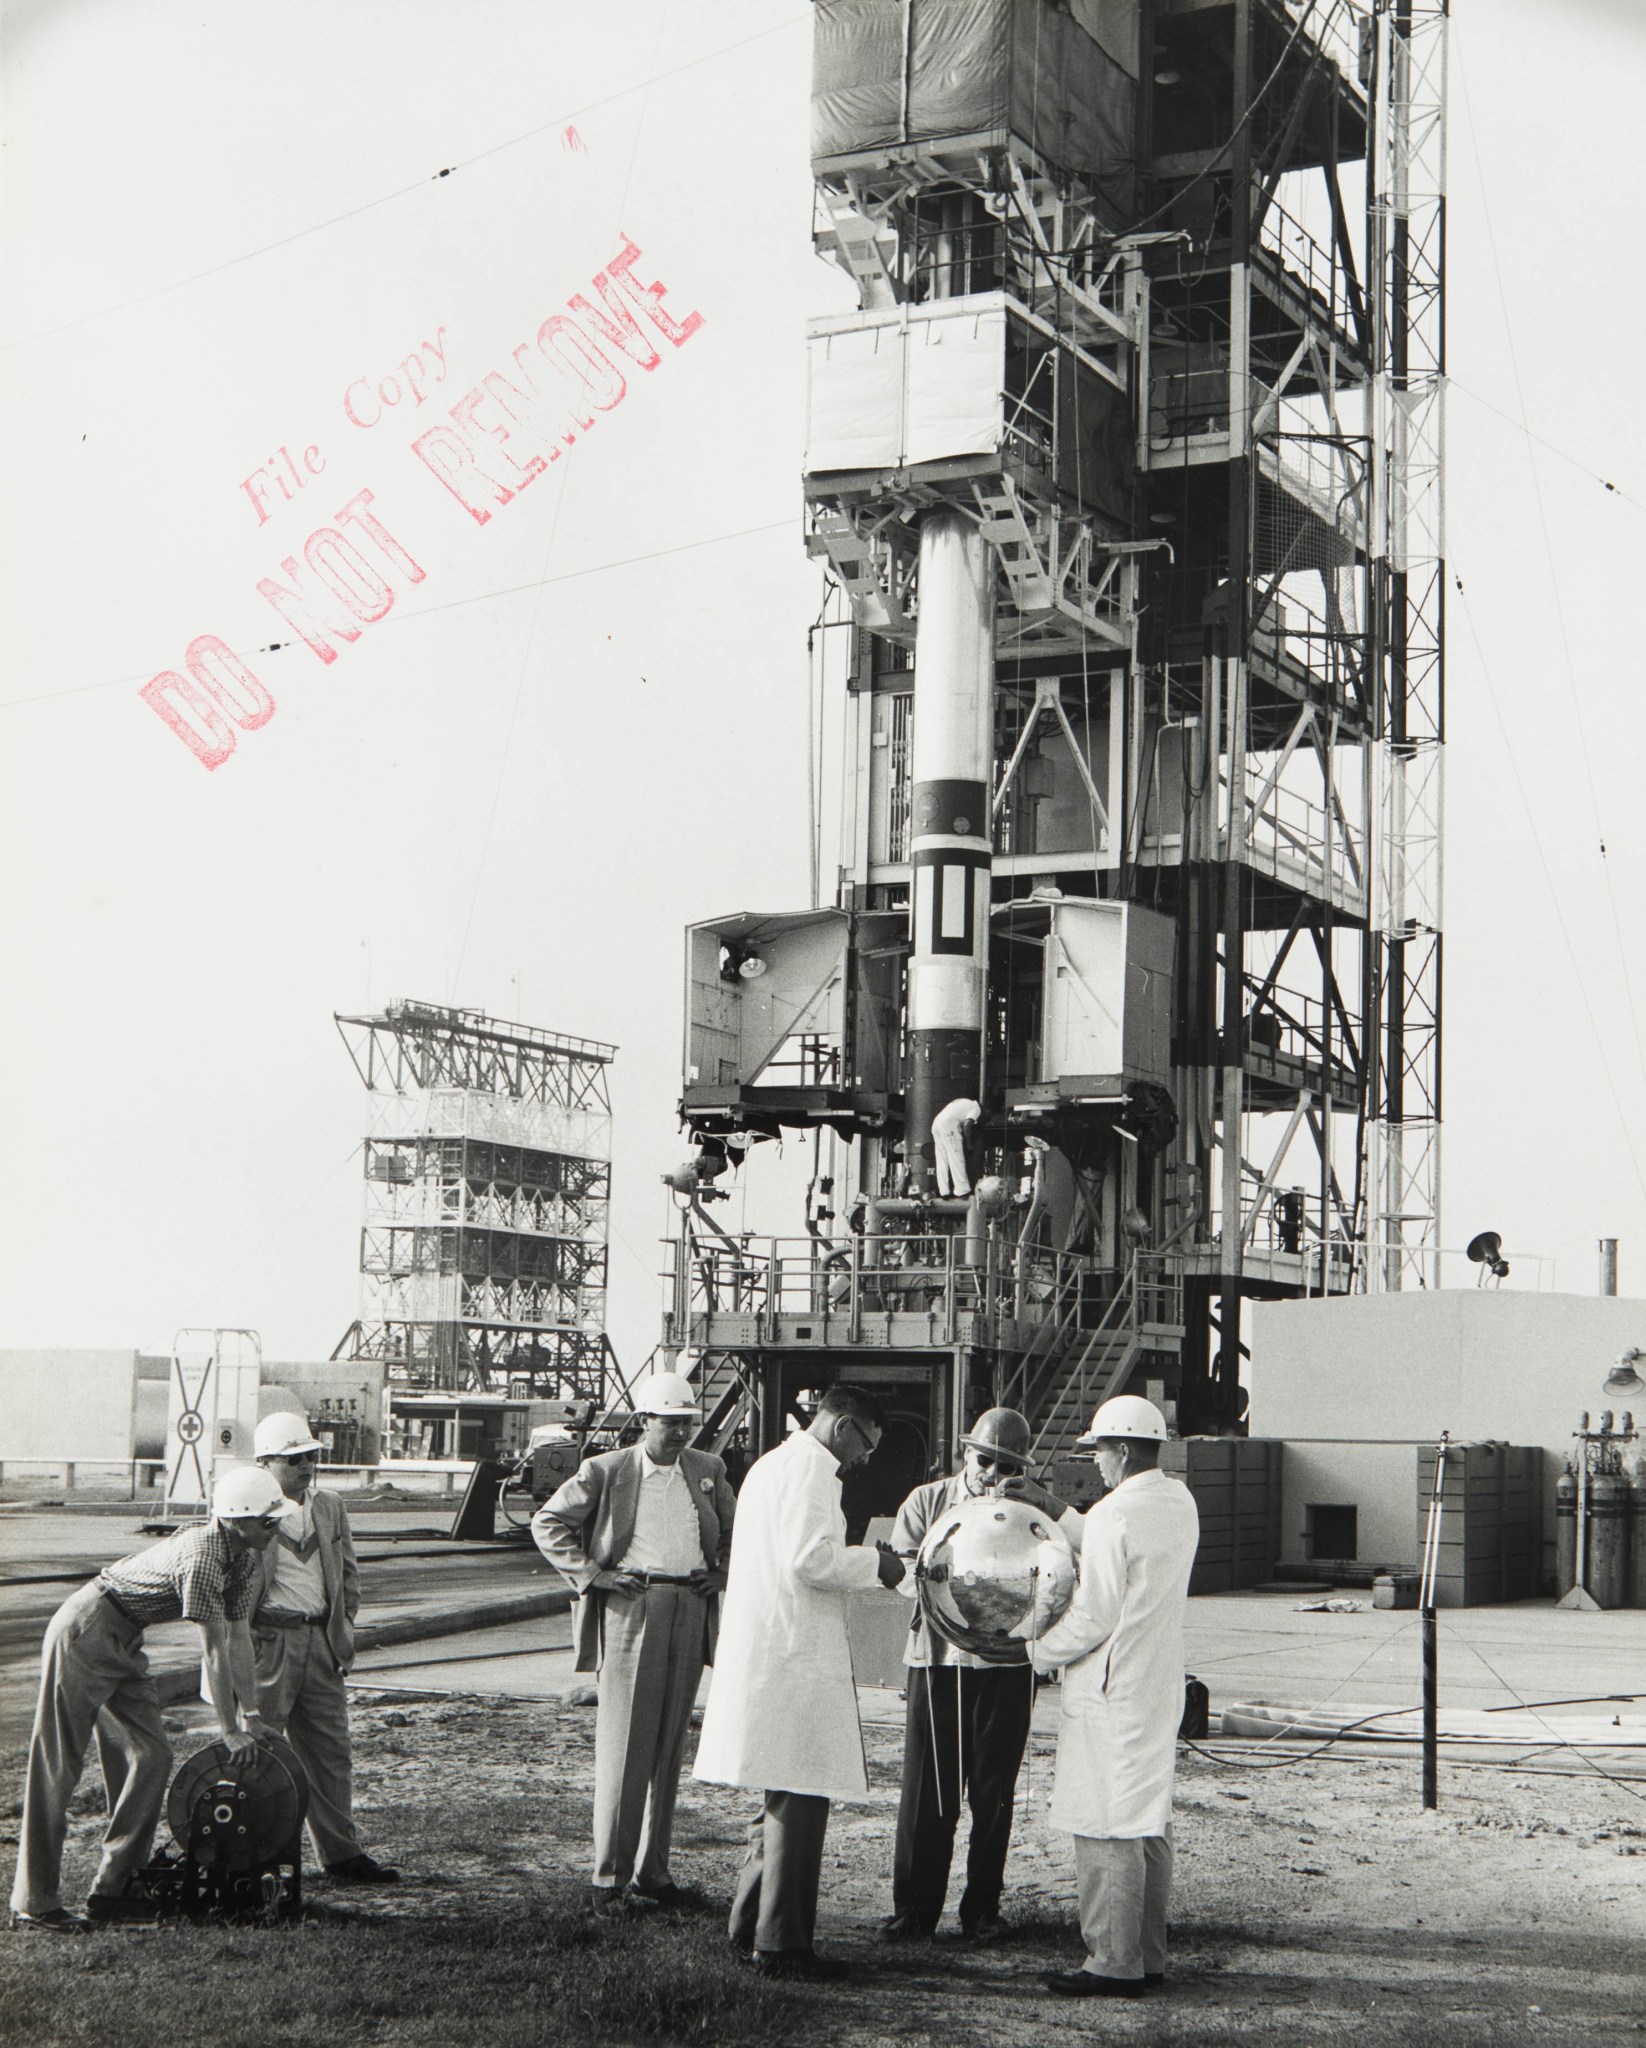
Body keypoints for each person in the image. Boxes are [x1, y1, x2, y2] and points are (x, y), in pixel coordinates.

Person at [8, 1466, 296, 1934]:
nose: (275, 1527)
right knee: (58, 1766)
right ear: (235, 1520)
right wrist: (228, 1730)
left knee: (152, 1754)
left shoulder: (243, 1557)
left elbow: (239, 1638)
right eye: (268, 1520)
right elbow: (213, 1651)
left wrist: (253, 1714)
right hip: (86, 1629)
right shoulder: (204, 1556)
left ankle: (115, 1889)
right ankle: (34, 1901)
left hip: (125, 1637)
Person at [693, 1384, 905, 1980]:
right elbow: (809, 1561)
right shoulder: (815, 1472)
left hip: (772, 1648)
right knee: (801, 1795)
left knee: (780, 1795)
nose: (865, 1458)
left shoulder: (771, 1464)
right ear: (844, 1427)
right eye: (867, 1444)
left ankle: (748, 1925)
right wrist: (877, 1566)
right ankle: (782, 1946)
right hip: (793, 1655)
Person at [532, 1371, 737, 1912]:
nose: (680, 1433)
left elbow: (738, 1531)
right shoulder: (607, 1470)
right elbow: (548, 1521)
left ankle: (653, 1872)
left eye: (687, 1423)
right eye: (669, 1423)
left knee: (669, 1745)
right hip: (632, 1606)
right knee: (627, 1746)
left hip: (689, 1605)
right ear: (645, 1422)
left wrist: (723, 1573)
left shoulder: (708, 1469)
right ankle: (608, 1879)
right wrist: (592, 1575)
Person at [881, 1406, 1077, 1944]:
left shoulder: (1034, 1514)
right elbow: (901, 1574)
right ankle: (915, 1909)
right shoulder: (927, 1502)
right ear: (965, 1453)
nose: (993, 1475)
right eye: (986, 1460)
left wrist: (1045, 1504)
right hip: (937, 1662)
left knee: (994, 1791)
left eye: (1008, 1466)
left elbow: (1071, 1561)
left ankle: (982, 1909)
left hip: (1008, 1667)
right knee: (928, 1791)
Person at [1027, 1395, 1199, 1999]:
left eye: (1098, 1450)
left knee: (1104, 1822)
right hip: (1156, 1682)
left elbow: (1095, 1613)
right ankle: (1147, 1954)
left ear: (1122, 1450)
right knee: (1147, 1818)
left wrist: (1033, 1652)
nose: (1095, 1462)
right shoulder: (1180, 1501)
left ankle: (1111, 1960)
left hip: (1110, 1685)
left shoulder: (1110, 1515)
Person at [249, 1411, 397, 1885]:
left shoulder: (329, 1506)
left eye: (310, 1457)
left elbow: (349, 1575)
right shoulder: (247, 1505)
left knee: (331, 1752)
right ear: (264, 1463)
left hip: (320, 1641)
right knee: (260, 1748)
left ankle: (341, 1853)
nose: (306, 1466)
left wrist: (342, 1627)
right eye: (293, 1459)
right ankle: (254, 1852)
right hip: (269, 1642)